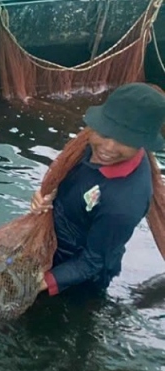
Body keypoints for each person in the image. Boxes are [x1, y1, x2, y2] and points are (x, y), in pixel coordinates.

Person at [30, 83, 165, 296]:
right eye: (105, 133)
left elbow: (93, 261)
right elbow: (65, 178)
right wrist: (47, 196)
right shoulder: (88, 143)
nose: (108, 148)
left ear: (142, 144)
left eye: (125, 140)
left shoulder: (125, 203)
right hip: (51, 243)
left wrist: (38, 285)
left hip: (78, 276)